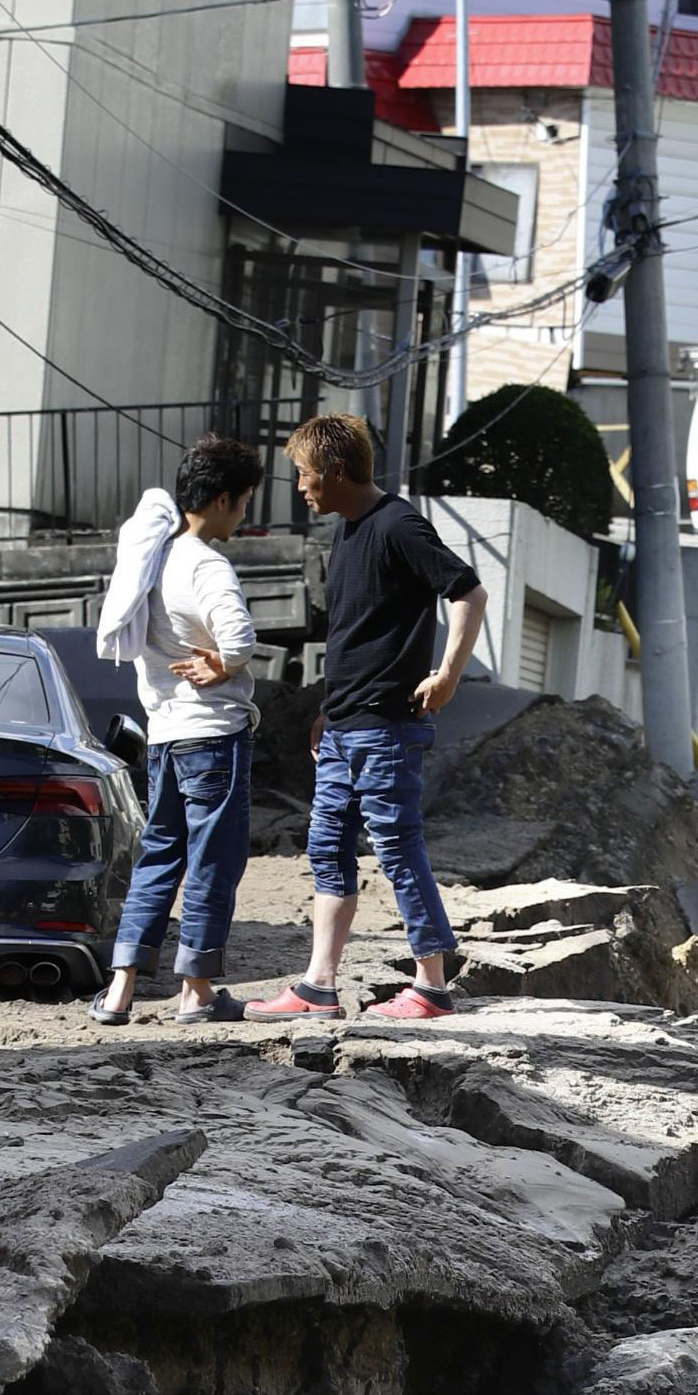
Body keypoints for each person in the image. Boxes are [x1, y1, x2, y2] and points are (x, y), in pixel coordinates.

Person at [245, 412, 487, 1024]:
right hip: (346, 725)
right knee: (326, 848)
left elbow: (467, 591)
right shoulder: (347, 532)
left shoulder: (398, 524)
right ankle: (318, 985)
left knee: (397, 847)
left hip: (386, 727)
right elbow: (356, 634)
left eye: (303, 475)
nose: (300, 488)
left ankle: (431, 987)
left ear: (334, 470)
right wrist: (328, 708)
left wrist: (449, 673)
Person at [88, 435, 263, 1027]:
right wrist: (226, 664)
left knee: (159, 855)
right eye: (242, 503)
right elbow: (239, 638)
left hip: (163, 736)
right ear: (220, 500)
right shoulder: (207, 564)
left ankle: (119, 988)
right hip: (213, 736)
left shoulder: (153, 561)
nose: (243, 515)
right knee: (214, 861)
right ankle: (196, 990)